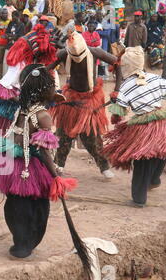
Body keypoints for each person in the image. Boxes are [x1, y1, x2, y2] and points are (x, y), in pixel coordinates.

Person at [0, 64, 76, 259]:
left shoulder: (24, 108)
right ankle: (25, 244)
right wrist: (55, 175)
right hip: (30, 166)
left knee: (16, 203)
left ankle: (20, 243)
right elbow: (43, 152)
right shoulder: (43, 116)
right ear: (43, 91)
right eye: (52, 87)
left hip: (14, 164)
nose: (55, 90)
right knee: (37, 208)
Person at [102, 46, 166, 207]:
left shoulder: (125, 86)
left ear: (125, 66)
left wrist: (116, 104)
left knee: (142, 160)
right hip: (164, 123)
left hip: (144, 127)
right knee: (161, 152)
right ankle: (155, 179)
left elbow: (118, 114)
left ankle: (139, 199)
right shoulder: (155, 78)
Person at [48, 31, 122, 179]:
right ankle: (58, 165)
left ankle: (104, 166)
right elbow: (47, 69)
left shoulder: (95, 51)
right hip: (70, 98)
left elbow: (118, 63)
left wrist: (117, 90)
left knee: (92, 136)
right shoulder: (63, 53)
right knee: (64, 134)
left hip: (90, 99)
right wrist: (51, 89)